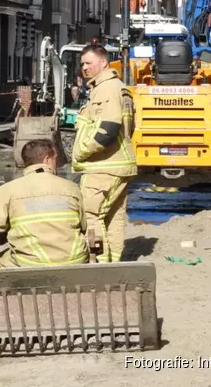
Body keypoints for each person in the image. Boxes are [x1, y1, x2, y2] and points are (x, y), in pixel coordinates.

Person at [0, 139, 89, 267]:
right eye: (55, 159)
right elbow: (84, 226)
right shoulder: (72, 188)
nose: (56, 164)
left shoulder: (8, 190)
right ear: (47, 159)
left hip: (28, 265)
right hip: (75, 262)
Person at [71, 44, 137, 263]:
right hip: (119, 164)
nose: (84, 68)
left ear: (103, 63)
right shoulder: (118, 88)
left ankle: (99, 266)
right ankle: (114, 263)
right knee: (113, 217)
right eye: (82, 64)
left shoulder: (106, 89)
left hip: (103, 166)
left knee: (90, 215)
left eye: (88, 63)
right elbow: (129, 126)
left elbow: (107, 130)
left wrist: (81, 152)